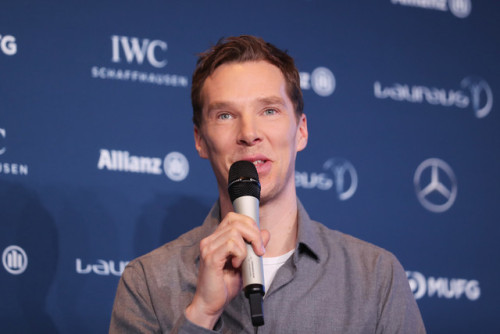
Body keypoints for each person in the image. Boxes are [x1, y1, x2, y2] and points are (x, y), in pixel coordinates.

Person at [109, 35, 426, 333]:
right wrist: (201, 314)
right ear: (200, 140)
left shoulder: (375, 276)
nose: (249, 133)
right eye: (225, 115)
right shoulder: (146, 283)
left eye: (269, 110)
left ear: (301, 131)